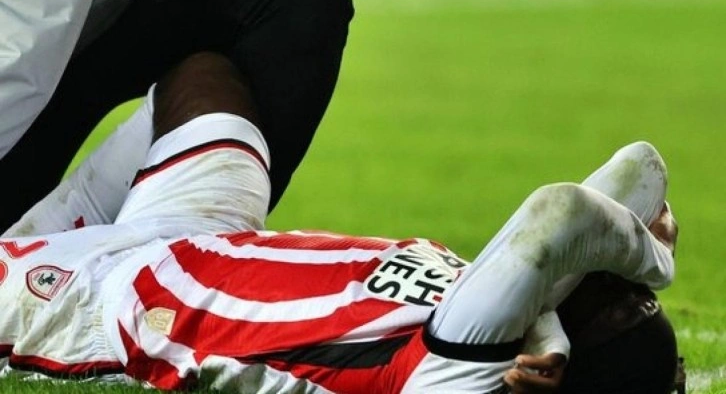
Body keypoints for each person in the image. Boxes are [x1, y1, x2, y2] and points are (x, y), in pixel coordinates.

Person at [0, 52, 677, 393]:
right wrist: (556, 324)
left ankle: (27, 252)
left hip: (113, 308)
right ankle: (39, 231)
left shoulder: (464, 373)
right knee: (205, 78)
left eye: (617, 306)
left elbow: (563, 213)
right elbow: (640, 168)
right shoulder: (527, 310)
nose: (616, 283)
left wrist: (656, 260)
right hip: (197, 238)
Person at [0, 0, 354, 232]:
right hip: (25, 39)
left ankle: (189, 263)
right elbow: (25, 29)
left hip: (113, 10)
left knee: (297, 0)